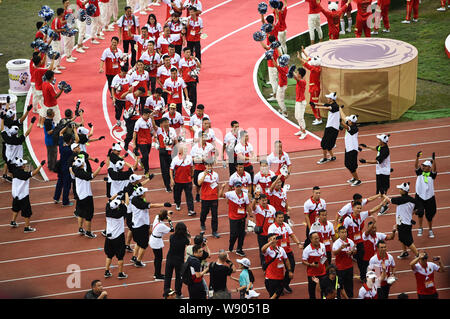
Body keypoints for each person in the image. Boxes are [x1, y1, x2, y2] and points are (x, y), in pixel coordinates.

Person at [342, 199, 386, 282]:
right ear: (353, 208)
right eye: (357, 208)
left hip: (359, 241)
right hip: (351, 242)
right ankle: (353, 275)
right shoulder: (348, 219)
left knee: (362, 258)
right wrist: (346, 242)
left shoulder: (362, 215)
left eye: (360, 208)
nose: (359, 210)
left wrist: (381, 204)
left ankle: (365, 275)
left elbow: (372, 210)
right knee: (356, 259)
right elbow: (344, 231)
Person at [129, 186, 172, 267]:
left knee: (138, 242)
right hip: (141, 226)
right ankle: (138, 261)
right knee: (144, 245)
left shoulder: (134, 199)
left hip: (135, 224)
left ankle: (134, 257)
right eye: (144, 192)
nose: (145, 193)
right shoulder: (141, 204)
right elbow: (152, 205)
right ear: (142, 194)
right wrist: (163, 204)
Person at [382, 182, 419, 260]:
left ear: (404, 190)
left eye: (400, 189)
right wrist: (409, 214)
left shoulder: (402, 199)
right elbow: (416, 209)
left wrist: (382, 194)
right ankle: (404, 252)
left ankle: (418, 255)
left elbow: (389, 200)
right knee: (402, 238)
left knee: (407, 241)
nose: (399, 190)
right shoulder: (412, 199)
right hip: (402, 221)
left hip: (404, 223)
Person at [268, 211, 302, 293]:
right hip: (278, 252)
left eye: (282, 217)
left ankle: (285, 284)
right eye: (279, 217)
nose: (281, 219)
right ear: (275, 218)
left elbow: (292, 235)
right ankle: (278, 288)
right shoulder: (272, 227)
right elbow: (270, 239)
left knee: (291, 267)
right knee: (278, 270)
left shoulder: (286, 225)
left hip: (287, 250)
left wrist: (298, 243)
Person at [71, 157, 105, 238]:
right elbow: (92, 176)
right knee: (88, 215)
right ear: (82, 165)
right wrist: (100, 166)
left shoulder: (75, 169)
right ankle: (88, 232)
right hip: (86, 196)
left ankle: (80, 228)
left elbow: (73, 164)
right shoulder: (82, 174)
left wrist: (76, 159)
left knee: (80, 212)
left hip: (79, 195)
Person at [9, 158, 45, 233]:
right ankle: (27, 227)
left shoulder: (14, 171)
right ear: (21, 166)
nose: (25, 165)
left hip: (15, 194)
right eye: (24, 164)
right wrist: (40, 165)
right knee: (27, 212)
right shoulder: (23, 174)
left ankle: (13, 221)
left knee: (16, 208)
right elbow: (34, 173)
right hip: (23, 195)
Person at [359, 133, 391, 215]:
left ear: (382, 142)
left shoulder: (385, 151)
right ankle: (385, 202)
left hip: (383, 173)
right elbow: (376, 148)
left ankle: (385, 206)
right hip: (380, 172)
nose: (378, 141)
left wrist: (365, 161)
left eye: (379, 140)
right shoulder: (381, 147)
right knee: (381, 190)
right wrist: (367, 147)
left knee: (382, 191)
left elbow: (376, 161)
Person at [219, 181, 252, 257]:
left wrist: (251, 215)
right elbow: (220, 195)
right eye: (237, 186)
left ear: (241, 187)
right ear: (234, 187)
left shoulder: (245, 195)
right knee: (234, 234)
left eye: (239, 186)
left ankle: (239, 249)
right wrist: (223, 187)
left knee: (241, 234)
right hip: (233, 218)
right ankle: (231, 244)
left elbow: (247, 206)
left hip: (242, 217)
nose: (238, 188)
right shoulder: (231, 194)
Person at [104, 195, 129, 279]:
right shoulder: (120, 214)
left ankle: (107, 271)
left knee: (109, 255)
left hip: (109, 236)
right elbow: (127, 203)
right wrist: (125, 194)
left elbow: (109, 200)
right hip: (118, 237)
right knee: (120, 256)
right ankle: (120, 273)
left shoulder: (107, 210)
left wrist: (116, 194)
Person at [261, 233, 293, 299]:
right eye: (273, 238)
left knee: (277, 295)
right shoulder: (268, 250)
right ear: (269, 240)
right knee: (273, 295)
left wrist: (289, 270)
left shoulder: (281, 249)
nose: (275, 240)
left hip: (280, 277)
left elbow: (286, 260)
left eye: (276, 238)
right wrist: (270, 242)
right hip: (271, 278)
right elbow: (262, 249)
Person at [164, 221, 190, 298]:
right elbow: (189, 242)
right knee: (178, 277)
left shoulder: (171, 237)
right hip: (179, 260)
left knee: (168, 277)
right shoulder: (185, 239)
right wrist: (187, 234)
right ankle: (178, 293)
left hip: (170, 258)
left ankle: (166, 293)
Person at [414, 152, 438, 238]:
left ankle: (430, 229)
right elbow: (416, 166)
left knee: (429, 215)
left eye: (425, 166)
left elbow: (435, 169)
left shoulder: (432, 175)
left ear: (429, 167)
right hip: (420, 196)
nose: (423, 167)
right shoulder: (420, 172)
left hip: (430, 197)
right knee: (420, 212)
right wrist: (417, 157)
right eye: (422, 165)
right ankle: (420, 228)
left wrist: (434, 160)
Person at [313, 92, 340, 164]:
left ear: (332, 99)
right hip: (330, 127)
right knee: (328, 144)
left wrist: (316, 107)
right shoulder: (332, 104)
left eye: (328, 98)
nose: (327, 99)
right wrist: (314, 103)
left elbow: (327, 107)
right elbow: (324, 104)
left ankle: (325, 158)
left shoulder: (335, 106)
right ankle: (332, 156)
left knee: (324, 143)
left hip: (332, 128)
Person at [170, 143, 196, 216]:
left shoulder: (189, 158)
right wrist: (172, 179)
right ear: (180, 151)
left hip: (187, 181)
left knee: (189, 196)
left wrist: (192, 175)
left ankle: (191, 210)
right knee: (177, 195)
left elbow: (191, 167)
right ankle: (178, 203)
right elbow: (171, 170)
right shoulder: (175, 159)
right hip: (178, 181)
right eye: (184, 149)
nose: (186, 150)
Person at [298, 48, 322, 124]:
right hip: (314, 88)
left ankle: (318, 119)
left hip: (314, 89)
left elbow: (306, 64)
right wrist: (304, 52)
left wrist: (299, 58)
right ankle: (317, 117)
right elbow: (309, 59)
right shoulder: (317, 67)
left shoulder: (314, 69)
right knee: (312, 103)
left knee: (314, 104)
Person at [252, 193, 276, 268]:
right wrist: (255, 198)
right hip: (262, 234)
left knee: (272, 248)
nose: (264, 202)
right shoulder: (257, 209)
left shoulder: (272, 208)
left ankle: (272, 261)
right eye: (263, 200)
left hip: (270, 234)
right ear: (259, 201)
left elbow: (274, 219)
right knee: (262, 250)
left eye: (265, 200)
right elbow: (252, 207)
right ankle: (264, 265)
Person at [198, 161, 221, 238]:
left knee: (214, 215)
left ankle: (214, 231)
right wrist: (204, 175)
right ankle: (202, 222)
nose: (209, 167)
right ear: (205, 166)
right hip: (205, 198)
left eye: (210, 165)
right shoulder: (201, 174)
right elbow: (199, 183)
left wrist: (217, 195)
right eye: (208, 165)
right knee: (204, 212)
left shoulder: (216, 174)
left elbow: (217, 185)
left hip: (214, 198)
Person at [332, 226, 356, 298]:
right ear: (339, 234)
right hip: (340, 268)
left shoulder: (350, 241)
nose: (344, 234)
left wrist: (352, 252)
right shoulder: (336, 243)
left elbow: (355, 251)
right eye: (342, 232)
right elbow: (334, 253)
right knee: (339, 286)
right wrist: (340, 248)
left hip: (349, 267)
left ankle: (350, 297)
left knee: (349, 285)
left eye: (345, 232)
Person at [150, 210, 174, 280]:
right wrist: (170, 221)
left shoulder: (157, 218)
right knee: (159, 259)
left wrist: (166, 215)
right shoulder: (162, 226)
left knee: (157, 258)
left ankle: (156, 273)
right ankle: (158, 275)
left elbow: (159, 214)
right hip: (156, 242)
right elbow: (172, 229)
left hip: (153, 239)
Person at [302, 231, 328, 299]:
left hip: (322, 272)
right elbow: (303, 261)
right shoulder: (307, 249)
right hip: (312, 274)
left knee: (324, 291)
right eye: (315, 239)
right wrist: (311, 265)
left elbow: (324, 257)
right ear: (311, 239)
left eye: (318, 238)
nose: (317, 240)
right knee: (312, 292)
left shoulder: (322, 245)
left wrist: (322, 264)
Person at [339, 108, 361, 186]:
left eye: (349, 120)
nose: (348, 121)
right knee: (347, 164)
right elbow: (344, 117)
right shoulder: (350, 123)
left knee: (350, 165)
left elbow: (346, 127)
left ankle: (358, 180)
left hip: (352, 149)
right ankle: (354, 177)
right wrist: (340, 109)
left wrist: (340, 121)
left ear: (352, 122)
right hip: (348, 147)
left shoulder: (354, 128)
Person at [132, 108, 156, 176]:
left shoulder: (149, 120)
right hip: (141, 141)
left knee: (146, 156)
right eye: (149, 114)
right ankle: (146, 171)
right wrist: (134, 144)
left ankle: (142, 161)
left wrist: (155, 137)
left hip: (149, 141)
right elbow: (135, 133)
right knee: (146, 156)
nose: (150, 115)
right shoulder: (138, 122)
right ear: (144, 114)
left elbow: (151, 129)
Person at [122, 86, 146, 152]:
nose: (140, 95)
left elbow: (137, 106)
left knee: (137, 133)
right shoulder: (130, 96)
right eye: (140, 93)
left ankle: (136, 148)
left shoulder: (138, 98)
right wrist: (128, 91)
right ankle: (126, 143)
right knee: (130, 133)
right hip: (129, 117)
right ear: (138, 91)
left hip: (136, 117)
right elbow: (122, 96)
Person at [157, 117, 178, 192]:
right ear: (161, 124)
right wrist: (152, 118)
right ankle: (167, 186)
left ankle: (174, 182)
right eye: (165, 122)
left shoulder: (172, 130)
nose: (167, 124)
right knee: (164, 170)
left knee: (173, 168)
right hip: (163, 152)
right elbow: (153, 126)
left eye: (167, 122)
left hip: (171, 152)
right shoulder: (159, 130)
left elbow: (175, 140)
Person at [53, 132, 74, 206]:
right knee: (66, 185)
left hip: (60, 167)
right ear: (70, 140)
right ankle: (65, 201)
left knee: (59, 183)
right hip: (67, 169)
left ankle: (56, 198)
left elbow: (61, 133)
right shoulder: (70, 150)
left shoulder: (61, 146)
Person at [179, 47, 201, 115]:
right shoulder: (181, 61)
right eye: (187, 52)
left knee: (193, 96)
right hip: (185, 81)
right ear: (184, 53)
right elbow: (180, 71)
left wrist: (196, 60)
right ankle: (188, 108)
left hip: (192, 80)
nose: (188, 54)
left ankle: (192, 111)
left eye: (189, 52)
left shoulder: (194, 60)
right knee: (186, 96)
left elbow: (199, 67)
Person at [292, 67, 307, 139]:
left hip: (301, 102)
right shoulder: (299, 80)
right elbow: (295, 76)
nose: (296, 73)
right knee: (296, 116)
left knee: (300, 118)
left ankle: (304, 132)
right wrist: (291, 71)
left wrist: (292, 72)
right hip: (298, 102)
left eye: (297, 73)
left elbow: (297, 78)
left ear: (300, 75)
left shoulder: (302, 82)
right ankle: (301, 130)